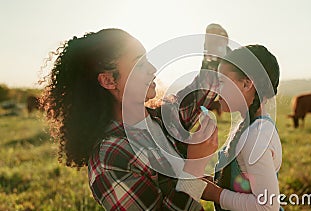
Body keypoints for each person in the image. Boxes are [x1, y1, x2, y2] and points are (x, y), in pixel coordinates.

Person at [40, 28, 221, 210]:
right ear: (109, 80)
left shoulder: (163, 118)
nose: (152, 69)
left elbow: (201, 90)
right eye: (140, 64)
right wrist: (195, 167)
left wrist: (213, 53)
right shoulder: (110, 158)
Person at [201, 45, 282, 210]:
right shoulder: (251, 126)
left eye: (222, 82)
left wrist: (214, 194)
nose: (215, 89)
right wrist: (209, 183)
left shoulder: (255, 137)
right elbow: (243, 183)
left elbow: (267, 206)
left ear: (246, 84)